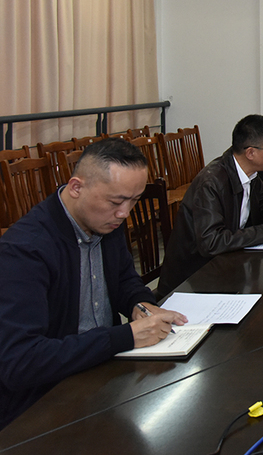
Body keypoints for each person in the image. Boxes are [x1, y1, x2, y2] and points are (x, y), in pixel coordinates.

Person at [0, 139, 187, 430]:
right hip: (43, 402)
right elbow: (21, 362)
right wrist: (123, 337)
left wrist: (141, 305)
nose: (125, 213)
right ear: (76, 187)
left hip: (101, 374)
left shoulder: (104, 221)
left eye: (134, 200)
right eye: (116, 202)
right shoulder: (24, 250)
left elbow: (124, 279)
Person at [159, 115, 263, 295]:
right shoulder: (211, 182)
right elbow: (212, 242)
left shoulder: (250, 173)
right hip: (193, 279)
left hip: (228, 263)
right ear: (250, 153)